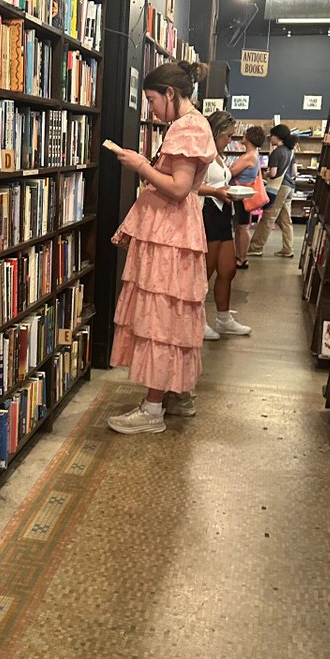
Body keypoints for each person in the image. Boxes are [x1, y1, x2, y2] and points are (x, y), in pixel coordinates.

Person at [107, 60, 216, 434]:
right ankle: (175, 394)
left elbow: (177, 187)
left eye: (153, 100)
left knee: (161, 317)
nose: (151, 109)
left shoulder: (187, 127)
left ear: (170, 94)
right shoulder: (192, 124)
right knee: (171, 314)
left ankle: (152, 409)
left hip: (172, 234)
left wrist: (139, 164)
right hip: (174, 230)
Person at [199, 111, 252, 341]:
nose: (230, 140)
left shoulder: (218, 155)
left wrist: (227, 191)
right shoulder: (201, 153)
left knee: (228, 269)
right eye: (228, 136)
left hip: (223, 212)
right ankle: (196, 321)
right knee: (204, 273)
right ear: (216, 132)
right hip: (208, 212)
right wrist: (217, 191)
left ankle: (223, 318)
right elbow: (190, 185)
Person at [248, 123, 298, 259]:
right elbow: (294, 172)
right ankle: (288, 248)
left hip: (278, 188)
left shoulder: (277, 152)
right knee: (286, 220)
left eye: (272, 136)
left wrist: (266, 175)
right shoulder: (291, 150)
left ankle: (256, 247)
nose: (270, 138)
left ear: (278, 137)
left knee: (268, 217)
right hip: (290, 187)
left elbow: (274, 173)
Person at [229, 125, 265, 270]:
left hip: (242, 195)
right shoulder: (253, 154)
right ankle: (240, 256)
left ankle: (242, 258)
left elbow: (232, 171)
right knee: (240, 227)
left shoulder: (249, 156)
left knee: (242, 227)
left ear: (249, 138)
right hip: (242, 194)